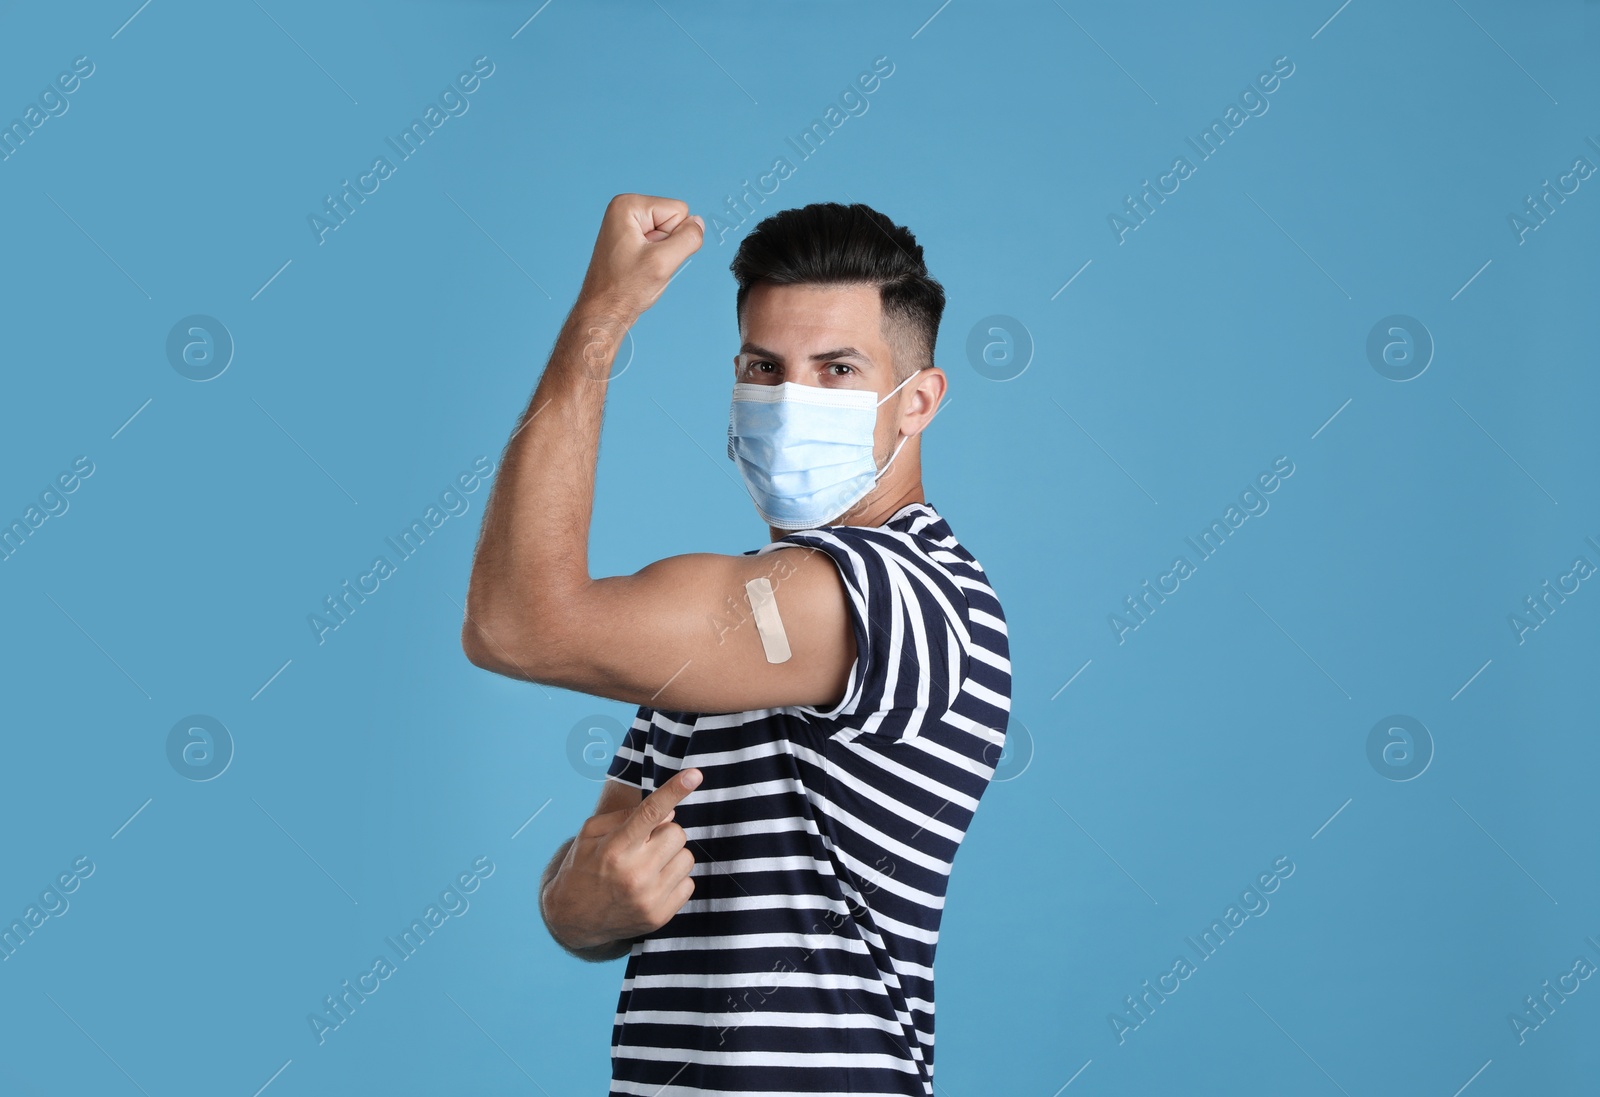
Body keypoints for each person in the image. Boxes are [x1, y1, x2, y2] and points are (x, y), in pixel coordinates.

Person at [461, 193, 1011, 1096]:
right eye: (764, 365)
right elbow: (589, 885)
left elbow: (517, 625)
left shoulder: (898, 595)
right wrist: (584, 902)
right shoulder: (734, 635)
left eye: (837, 369)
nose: (790, 400)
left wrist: (602, 317)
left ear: (917, 401)